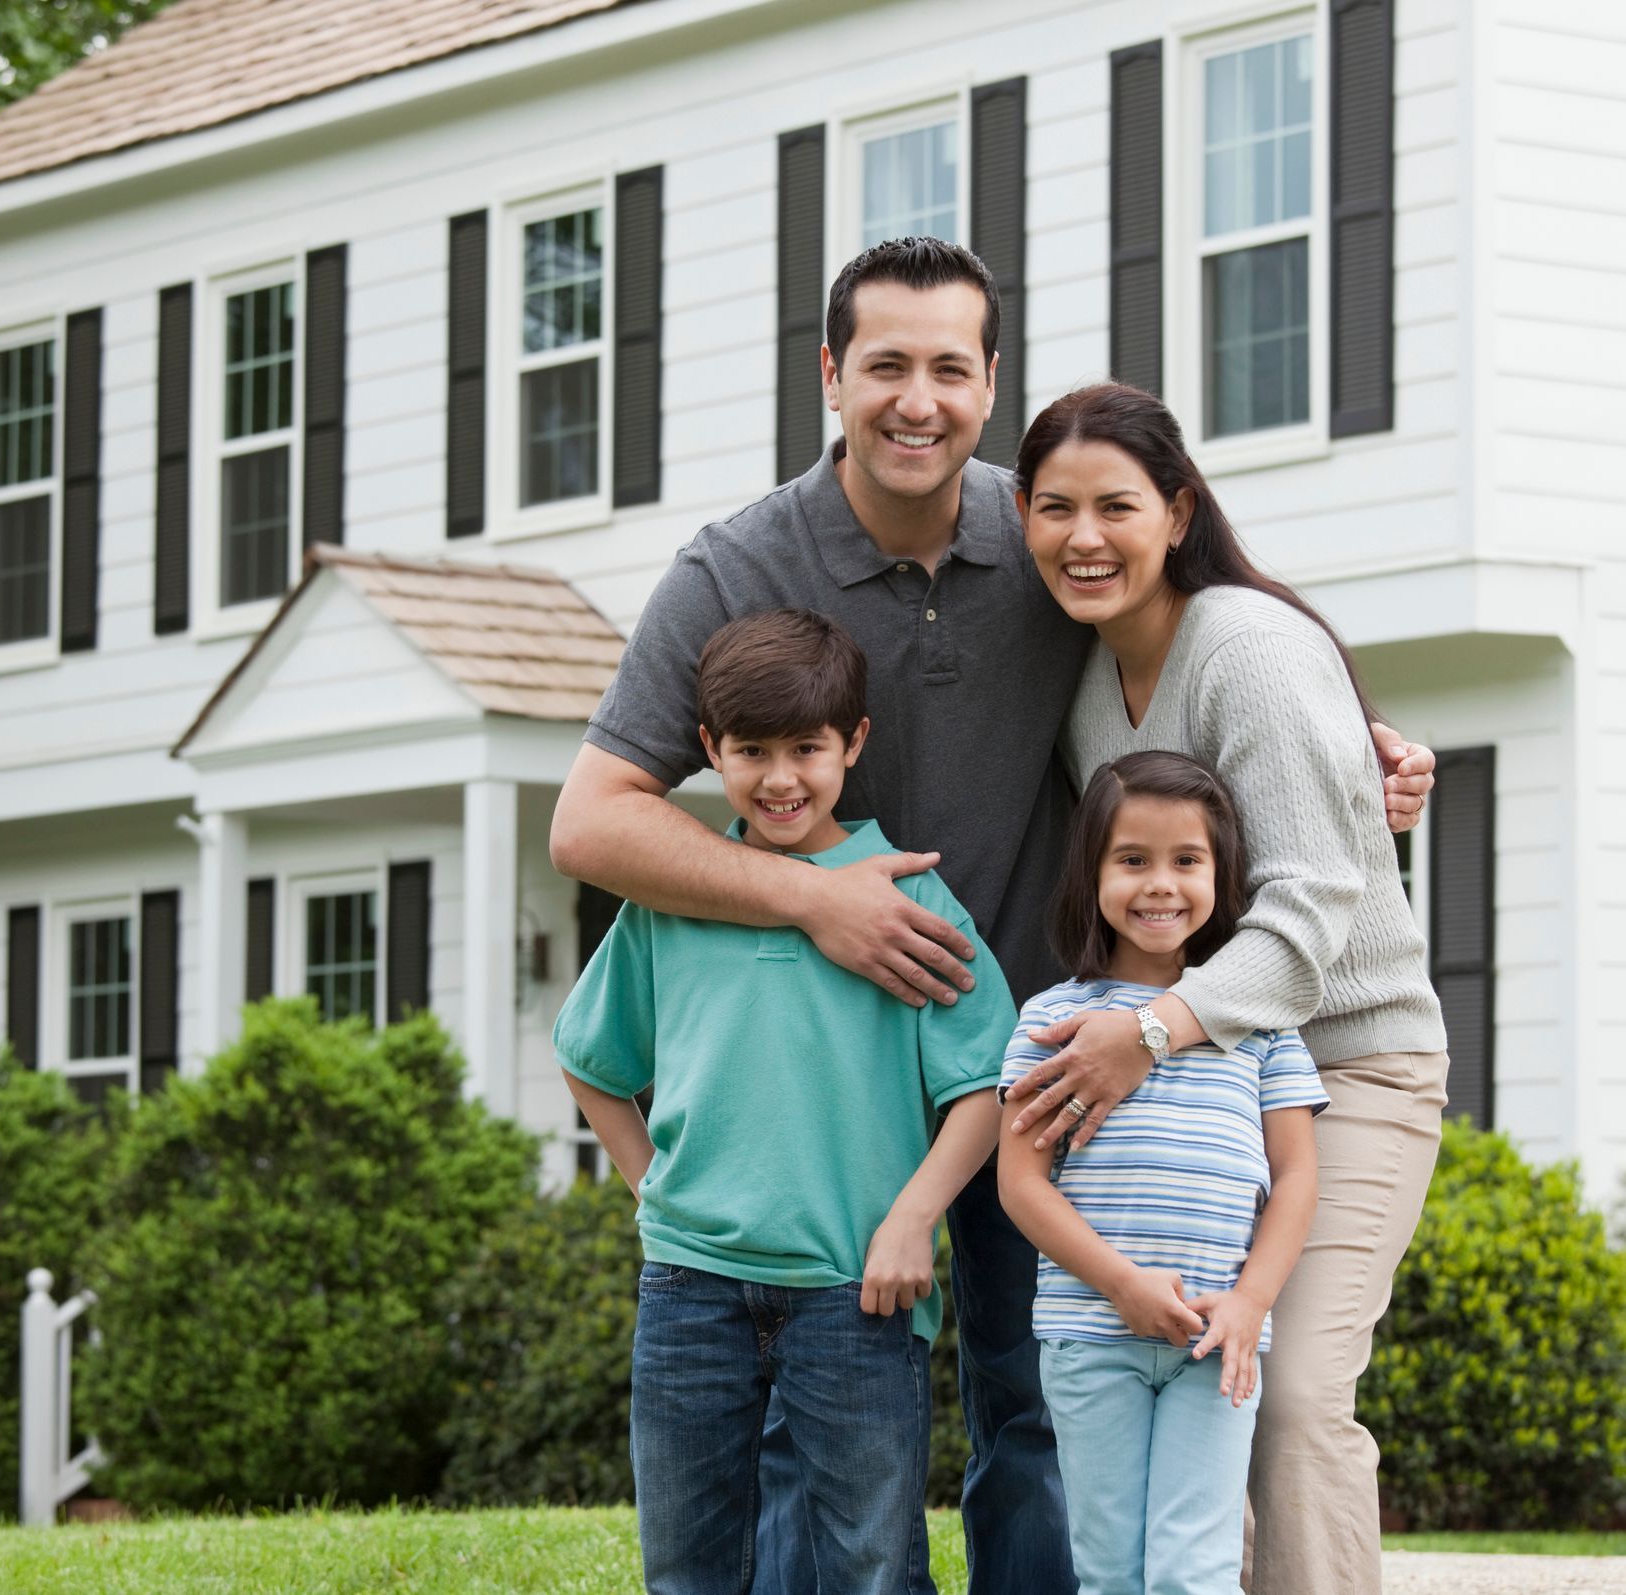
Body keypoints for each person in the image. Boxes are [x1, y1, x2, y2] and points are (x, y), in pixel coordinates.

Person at [548, 236, 1431, 1595]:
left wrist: (1346, 747)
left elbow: (1204, 634)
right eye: (886, 364)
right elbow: (591, 821)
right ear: (831, 376)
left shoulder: (1046, 533)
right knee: (825, 1434)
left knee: (1050, 1411)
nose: (919, 399)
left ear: (988, 381)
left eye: (950, 368)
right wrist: (811, 898)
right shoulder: (734, 567)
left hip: (1060, 1066)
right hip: (840, 1082)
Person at [1003, 382, 1450, 1595]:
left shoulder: (1245, 646)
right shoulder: (1089, 675)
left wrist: (1141, 1032)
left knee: (1292, 1388)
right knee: (1200, 1376)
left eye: (1114, 506)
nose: (1081, 535)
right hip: (1194, 1070)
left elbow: (1308, 911)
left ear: (1178, 510)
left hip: (1347, 1061)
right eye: (1052, 508)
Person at [555, 608, 1012, 1595]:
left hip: (857, 1291)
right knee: (685, 1567)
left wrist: (910, 1219)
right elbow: (590, 1058)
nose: (779, 778)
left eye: (806, 747)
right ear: (708, 748)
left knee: (872, 1565)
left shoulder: (913, 904)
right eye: (749, 750)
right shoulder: (672, 902)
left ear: (852, 741)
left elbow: (984, 1087)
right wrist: (647, 1188)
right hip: (688, 1291)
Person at [998, 750, 1327, 1594]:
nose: (1162, 884)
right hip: (1090, 1335)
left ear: (1221, 874)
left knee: (1195, 1571)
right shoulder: (1052, 1020)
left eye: (1188, 860)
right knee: (1109, 1572)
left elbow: (1294, 1179)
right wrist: (1121, 1285)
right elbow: (1021, 1183)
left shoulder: (1259, 1027)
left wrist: (1251, 1301)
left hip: (1217, 1340)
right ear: (1093, 872)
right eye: (1133, 859)